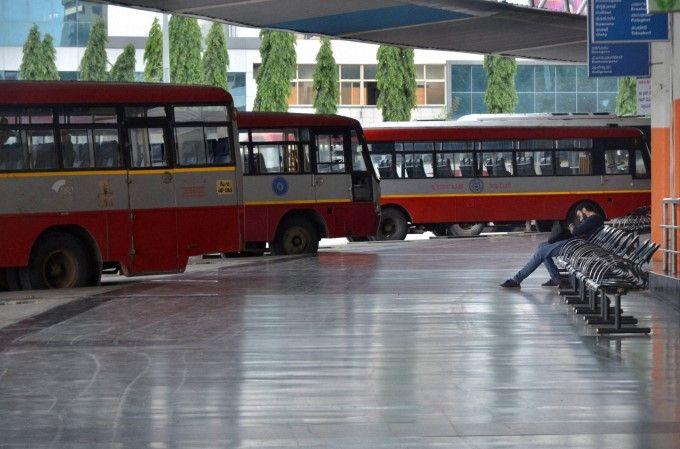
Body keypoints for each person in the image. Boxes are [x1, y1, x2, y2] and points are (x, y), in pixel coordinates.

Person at [500, 204, 604, 288]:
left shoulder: (593, 218)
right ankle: (556, 279)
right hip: (578, 245)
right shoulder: (595, 219)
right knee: (542, 246)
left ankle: (517, 279)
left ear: (584, 210)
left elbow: (576, 232)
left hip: (576, 246)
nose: (580, 218)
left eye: (580, 214)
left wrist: (571, 225)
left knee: (541, 252)